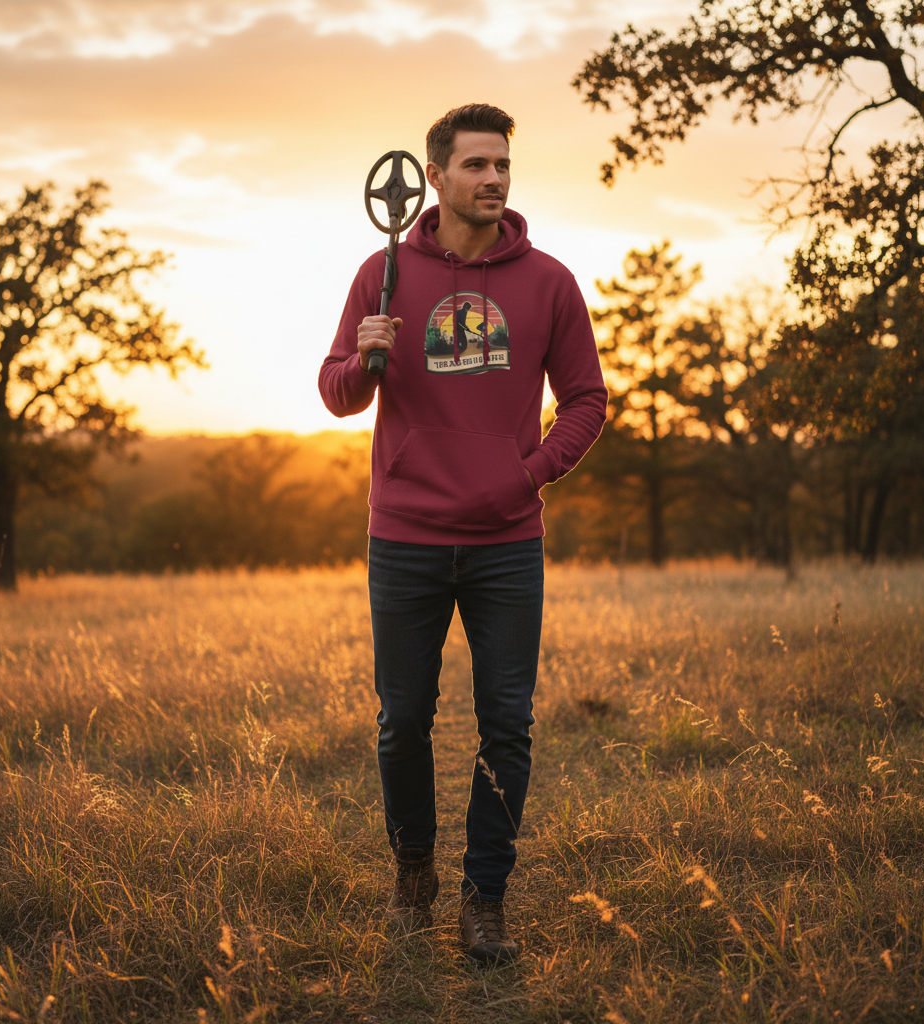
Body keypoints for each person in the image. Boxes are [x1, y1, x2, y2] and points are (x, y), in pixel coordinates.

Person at [318, 103, 606, 964]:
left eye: (502, 166)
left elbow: (587, 400)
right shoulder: (383, 272)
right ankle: (414, 869)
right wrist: (362, 355)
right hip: (404, 535)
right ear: (433, 177)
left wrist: (527, 474)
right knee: (402, 721)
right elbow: (337, 395)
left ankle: (486, 899)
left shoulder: (548, 281)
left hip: (507, 543)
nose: (493, 179)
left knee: (506, 725)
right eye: (476, 165)